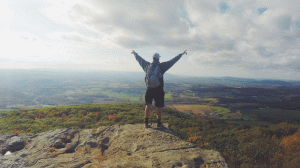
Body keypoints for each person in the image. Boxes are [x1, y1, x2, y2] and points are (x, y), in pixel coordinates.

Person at [132, 50, 187, 128]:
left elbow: (140, 59)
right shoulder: (162, 66)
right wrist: (180, 54)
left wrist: (135, 54)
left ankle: (146, 123)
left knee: (148, 105)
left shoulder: (147, 65)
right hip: (159, 89)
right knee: (159, 106)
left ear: (153, 58)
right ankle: (158, 124)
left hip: (149, 88)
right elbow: (172, 61)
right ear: (158, 59)